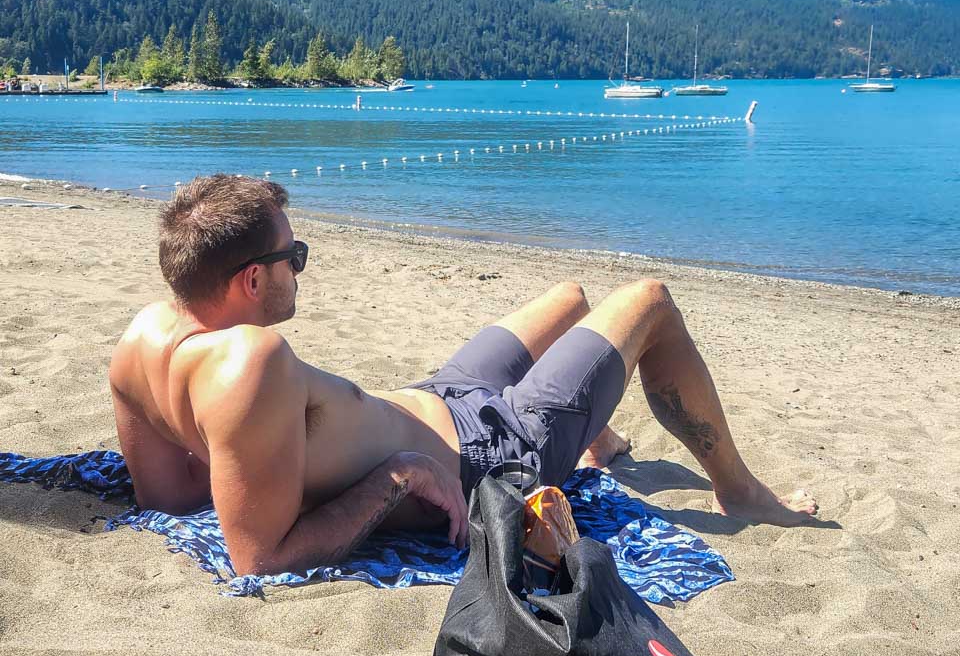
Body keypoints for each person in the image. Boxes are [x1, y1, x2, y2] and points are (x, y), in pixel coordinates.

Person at [109, 175, 818, 577]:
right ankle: (741, 492)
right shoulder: (251, 362)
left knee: (570, 298)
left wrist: (256, 460)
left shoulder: (140, 343)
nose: (302, 263)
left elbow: (168, 499)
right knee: (651, 302)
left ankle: (596, 434)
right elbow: (258, 557)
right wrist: (400, 475)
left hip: (439, 394)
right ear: (254, 278)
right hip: (495, 449)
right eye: (296, 253)